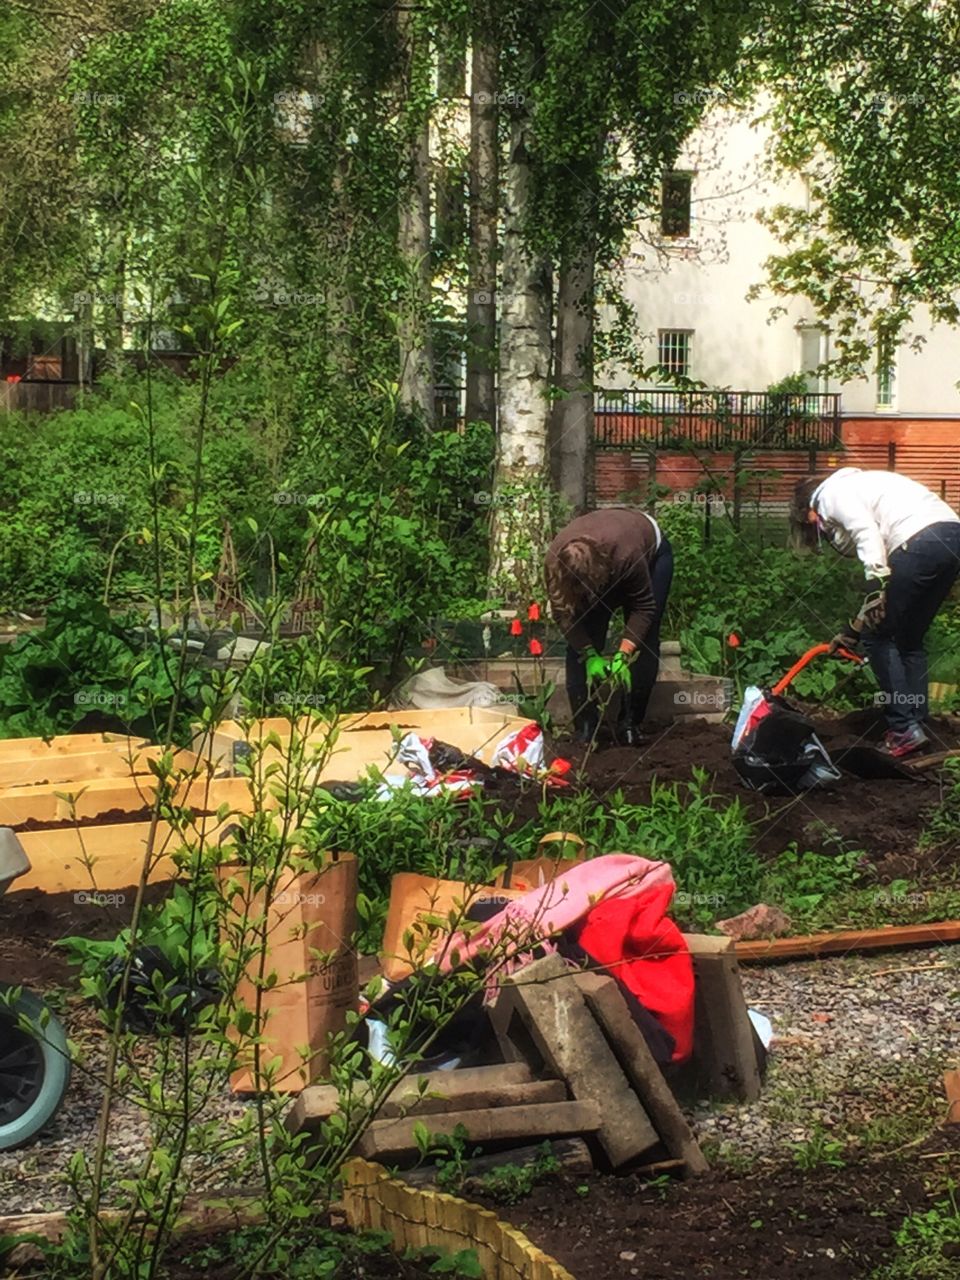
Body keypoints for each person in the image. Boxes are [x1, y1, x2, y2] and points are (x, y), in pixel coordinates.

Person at [790, 467, 960, 757]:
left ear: (810, 514)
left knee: (878, 639)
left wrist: (875, 581)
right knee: (909, 638)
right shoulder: (860, 484)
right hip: (951, 539)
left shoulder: (831, 496)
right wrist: (852, 630)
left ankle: (904, 728)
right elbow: (883, 598)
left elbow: (866, 533)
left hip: (918, 543)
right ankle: (917, 720)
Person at [544, 507, 673, 745]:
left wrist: (624, 654)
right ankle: (586, 729)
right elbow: (563, 615)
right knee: (584, 639)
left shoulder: (627, 555)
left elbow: (644, 608)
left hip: (651, 553)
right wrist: (590, 653)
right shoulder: (554, 563)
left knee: (645, 639)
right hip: (608, 555)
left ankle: (630, 724)